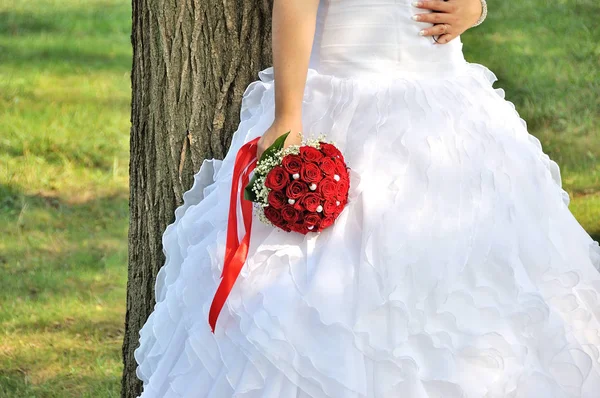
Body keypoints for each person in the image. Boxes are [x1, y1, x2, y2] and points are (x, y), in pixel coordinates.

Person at [134, 0, 600, 396]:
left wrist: (475, 8)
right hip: (343, 102)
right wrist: (289, 114)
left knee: (467, 286)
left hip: (449, 110)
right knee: (320, 287)